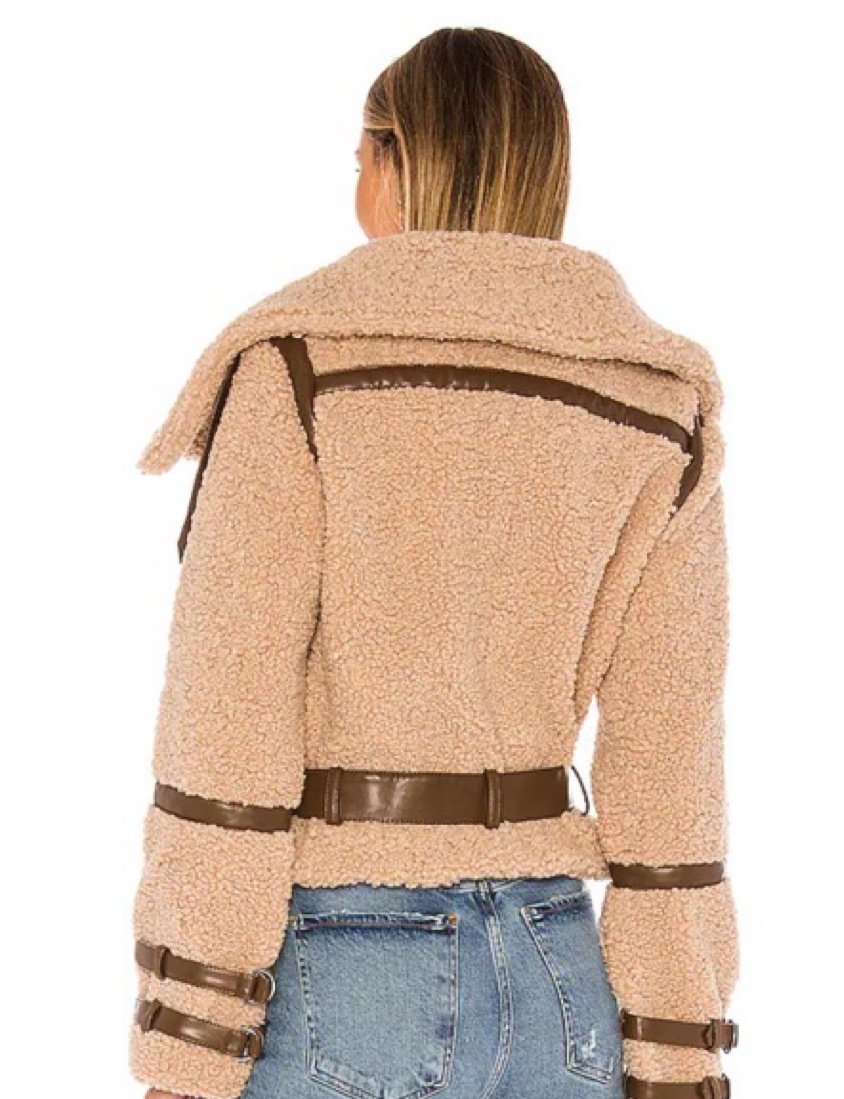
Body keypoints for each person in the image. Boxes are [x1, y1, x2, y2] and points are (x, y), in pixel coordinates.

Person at [130, 26, 739, 1099]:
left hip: (341, 968)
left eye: (361, 155)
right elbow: (670, 759)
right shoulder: (654, 402)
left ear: (400, 159)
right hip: (560, 973)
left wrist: (192, 1028)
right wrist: (678, 1046)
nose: (354, 182)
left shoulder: (300, 367)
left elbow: (228, 714)